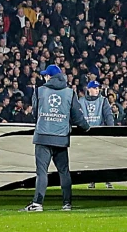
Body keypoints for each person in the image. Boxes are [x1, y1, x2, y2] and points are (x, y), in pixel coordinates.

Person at [25, 64, 90, 212]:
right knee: (64, 171)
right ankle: (67, 204)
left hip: (43, 136)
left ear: (49, 76)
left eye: (45, 75)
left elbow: (35, 113)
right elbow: (77, 116)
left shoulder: (39, 91)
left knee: (41, 172)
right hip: (61, 137)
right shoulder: (69, 92)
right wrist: (86, 127)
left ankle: (37, 204)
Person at [81, 80, 118, 189]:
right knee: (90, 158)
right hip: (86, 134)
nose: (97, 90)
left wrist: (111, 131)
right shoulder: (81, 101)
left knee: (104, 158)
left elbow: (108, 116)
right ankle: (91, 180)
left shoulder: (103, 101)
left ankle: (107, 179)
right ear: (88, 89)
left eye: (98, 88)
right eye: (94, 88)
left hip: (100, 134)